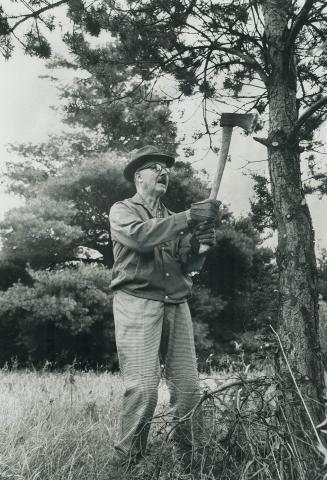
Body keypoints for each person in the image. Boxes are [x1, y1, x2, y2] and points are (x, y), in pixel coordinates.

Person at [109, 145, 220, 464]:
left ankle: (193, 462)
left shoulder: (174, 219)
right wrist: (189, 217)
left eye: (166, 169)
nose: (164, 172)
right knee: (144, 389)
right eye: (155, 167)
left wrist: (200, 244)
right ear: (138, 176)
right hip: (136, 302)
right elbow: (141, 238)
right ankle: (128, 463)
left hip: (177, 303)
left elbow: (187, 264)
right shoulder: (122, 210)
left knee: (187, 391)